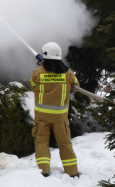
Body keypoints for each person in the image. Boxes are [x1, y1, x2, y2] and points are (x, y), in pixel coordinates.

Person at [29, 42, 79, 177]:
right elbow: (76, 85)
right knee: (65, 143)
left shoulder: (37, 73)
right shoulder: (68, 73)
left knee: (41, 142)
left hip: (42, 116)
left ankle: (43, 170)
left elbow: (33, 86)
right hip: (60, 117)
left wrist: (42, 67)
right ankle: (72, 171)